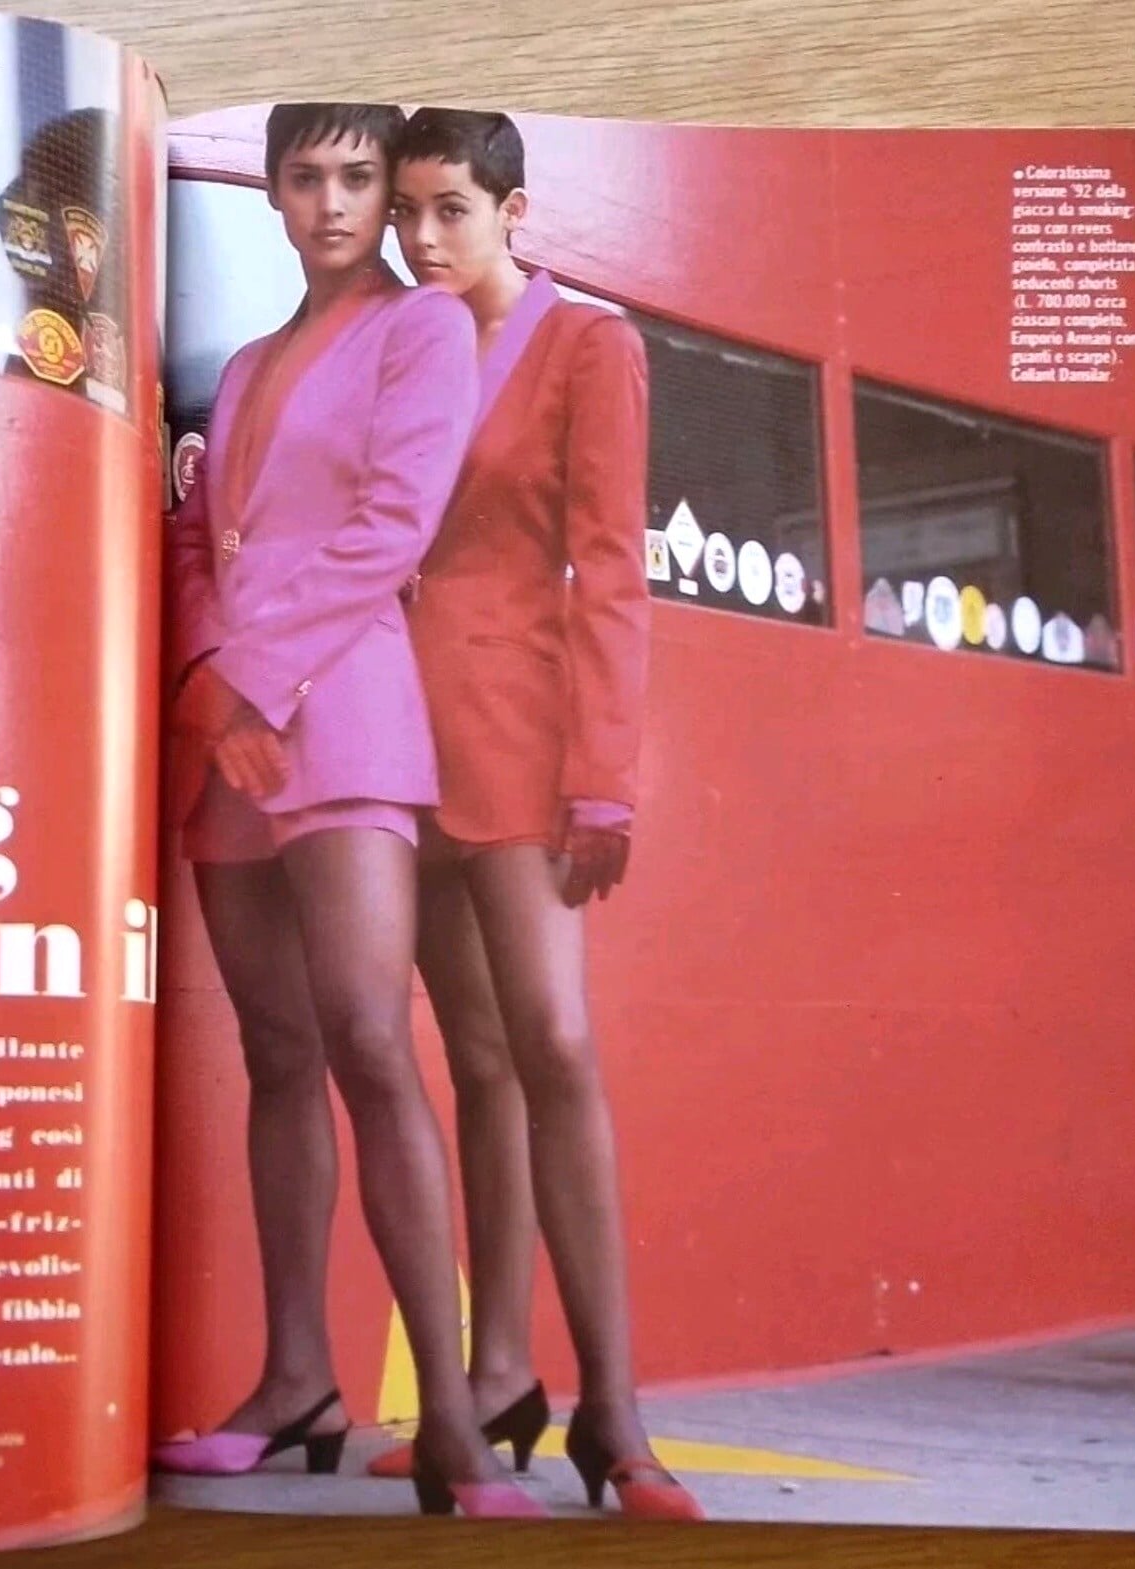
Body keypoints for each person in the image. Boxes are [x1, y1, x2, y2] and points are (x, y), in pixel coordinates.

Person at [150, 102, 540, 1520]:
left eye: (357, 179)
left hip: (345, 714)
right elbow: (196, 535)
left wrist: (251, 681)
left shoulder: (422, 328)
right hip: (227, 736)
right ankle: (297, 1381)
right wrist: (206, 679)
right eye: (305, 177)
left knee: (372, 1040)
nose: (331, 204)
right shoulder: (246, 366)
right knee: (276, 1049)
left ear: (389, 194)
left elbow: (395, 526)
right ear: (270, 191)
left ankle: (452, 1426)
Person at [375, 106, 704, 1522]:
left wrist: (603, 775)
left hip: (520, 740)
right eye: (406, 211)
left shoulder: (587, 345)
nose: (421, 237)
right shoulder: (396, 342)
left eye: (449, 209)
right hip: (391, 733)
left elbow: (611, 568)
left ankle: (613, 1412)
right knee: (475, 1059)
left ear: (514, 212)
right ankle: (498, 1371)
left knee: (553, 1042)